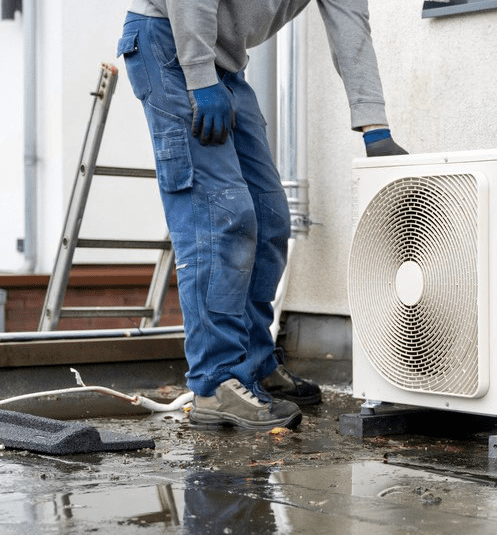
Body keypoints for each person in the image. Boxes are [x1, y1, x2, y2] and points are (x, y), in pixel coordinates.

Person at [116, 1, 406, 431]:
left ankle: (252, 362)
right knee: (221, 215)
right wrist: (199, 76)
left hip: (225, 62)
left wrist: (375, 130)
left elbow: (351, 29)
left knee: (270, 218)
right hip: (171, 40)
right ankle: (216, 383)